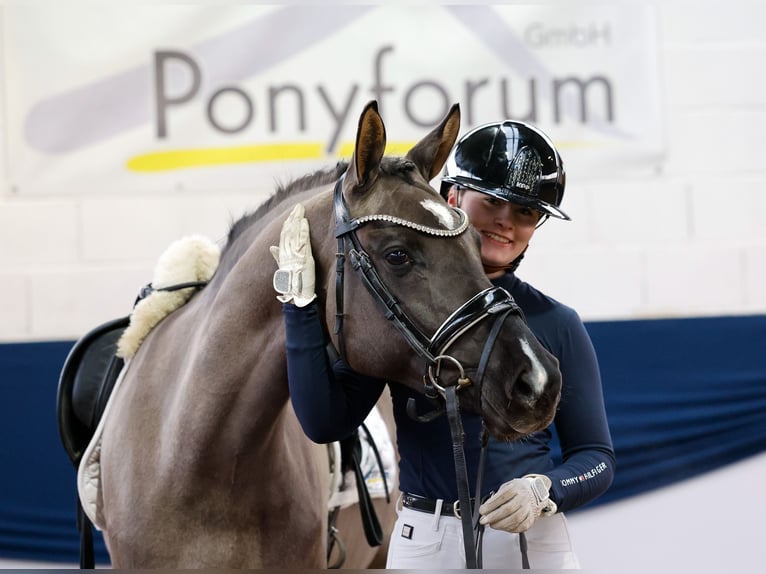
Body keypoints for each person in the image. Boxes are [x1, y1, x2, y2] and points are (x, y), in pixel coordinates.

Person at [271, 120, 615, 569]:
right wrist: (298, 306)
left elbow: (596, 457)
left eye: (526, 213)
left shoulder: (557, 321)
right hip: (424, 538)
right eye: (492, 202)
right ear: (452, 198)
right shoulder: (403, 306)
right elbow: (324, 422)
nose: (505, 222)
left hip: (527, 539)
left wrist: (546, 490)